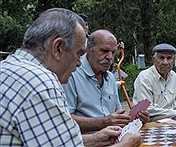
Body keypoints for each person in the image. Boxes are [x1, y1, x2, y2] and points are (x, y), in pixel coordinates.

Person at [0, 8, 141, 146]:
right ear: (58, 48)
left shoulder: (9, 68)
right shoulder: (41, 82)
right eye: (79, 54)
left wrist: (96, 139)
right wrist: (126, 144)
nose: (79, 63)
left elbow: (56, 140)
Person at [63, 29, 149, 134]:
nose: (110, 57)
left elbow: (117, 115)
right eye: (104, 51)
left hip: (113, 138)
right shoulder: (71, 74)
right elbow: (64, 119)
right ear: (89, 49)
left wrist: (136, 119)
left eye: (113, 52)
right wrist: (104, 122)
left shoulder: (110, 78)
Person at [133, 43, 176, 122]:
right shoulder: (145, 77)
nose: (165, 62)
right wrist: (174, 112)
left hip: (169, 117)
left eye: (169, 58)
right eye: (161, 58)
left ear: (173, 61)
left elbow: (170, 100)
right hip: (150, 119)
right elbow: (147, 108)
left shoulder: (173, 76)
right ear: (153, 60)